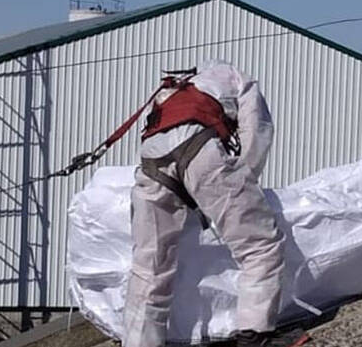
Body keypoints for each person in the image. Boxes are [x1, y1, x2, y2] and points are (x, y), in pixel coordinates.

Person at [123, 62, 301, 347]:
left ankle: (138, 342)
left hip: (151, 163)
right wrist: (244, 181)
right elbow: (257, 129)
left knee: (150, 266)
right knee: (260, 245)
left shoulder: (171, 88)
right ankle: (255, 334)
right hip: (200, 149)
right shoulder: (234, 76)